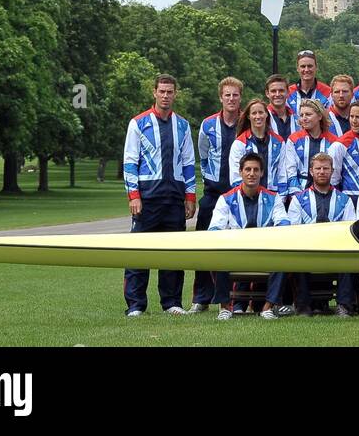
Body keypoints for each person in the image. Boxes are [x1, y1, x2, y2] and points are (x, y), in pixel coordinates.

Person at [122, 74, 196, 317]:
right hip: (147, 197)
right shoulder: (138, 123)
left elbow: (188, 163)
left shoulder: (183, 125)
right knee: (138, 252)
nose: (165, 96)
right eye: (161, 91)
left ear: (175, 94)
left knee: (174, 253)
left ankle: (172, 302)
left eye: (170, 91)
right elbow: (130, 162)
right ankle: (135, 305)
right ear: (154, 92)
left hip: (174, 196)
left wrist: (190, 196)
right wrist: (133, 195)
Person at [208, 152, 286, 320]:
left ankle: (267, 308)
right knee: (216, 258)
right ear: (241, 172)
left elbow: (284, 224)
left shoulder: (274, 198)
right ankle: (225, 308)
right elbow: (214, 229)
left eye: (256, 170)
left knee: (283, 260)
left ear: (262, 173)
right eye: (248, 169)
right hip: (237, 254)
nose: (252, 173)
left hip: (264, 253)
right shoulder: (226, 199)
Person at [282, 152, 357, 317]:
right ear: (311, 171)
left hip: (335, 252)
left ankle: (344, 306)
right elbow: (294, 230)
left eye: (326, 168)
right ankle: (303, 307)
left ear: (332, 171)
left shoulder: (344, 200)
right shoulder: (298, 200)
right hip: (308, 251)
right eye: (318, 168)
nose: (322, 172)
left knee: (348, 259)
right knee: (296, 258)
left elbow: (349, 228)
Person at [191, 76, 242, 312]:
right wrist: (210, 178)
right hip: (213, 193)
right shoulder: (208, 124)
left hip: (239, 194)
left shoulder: (247, 121)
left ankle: (240, 299)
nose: (231, 99)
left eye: (235, 95)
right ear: (221, 97)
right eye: (227, 95)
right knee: (205, 245)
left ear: (240, 97)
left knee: (240, 248)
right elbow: (202, 154)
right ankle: (201, 298)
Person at [282, 98, 344, 196]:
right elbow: (291, 171)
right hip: (300, 192)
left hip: (326, 192)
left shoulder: (334, 141)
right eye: (302, 115)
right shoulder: (293, 139)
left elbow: (336, 172)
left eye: (308, 114)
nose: (304, 118)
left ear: (319, 116)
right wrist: (296, 195)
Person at [228, 98, 292, 194]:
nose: (258, 116)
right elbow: (235, 177)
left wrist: (281, 198)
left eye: (261, 112)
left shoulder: (279, 142)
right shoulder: (240, 143)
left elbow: (282, 173)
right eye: (254, 113)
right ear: (249, 116)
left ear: (267, 114)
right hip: (248, 196)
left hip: (274, 196)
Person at [287, 49, 333, 114]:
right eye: (303, 66)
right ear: (297, 68)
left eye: (310, 66)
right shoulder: (288, 93)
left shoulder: (327, 92)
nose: (306, 69)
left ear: (316, 67)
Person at [264, 74, 297, 140]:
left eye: (281, 90)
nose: (277, 94)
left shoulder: (297, 117)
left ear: (288, 92)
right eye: (273, 91)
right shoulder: (263, 117)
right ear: (267, 93)